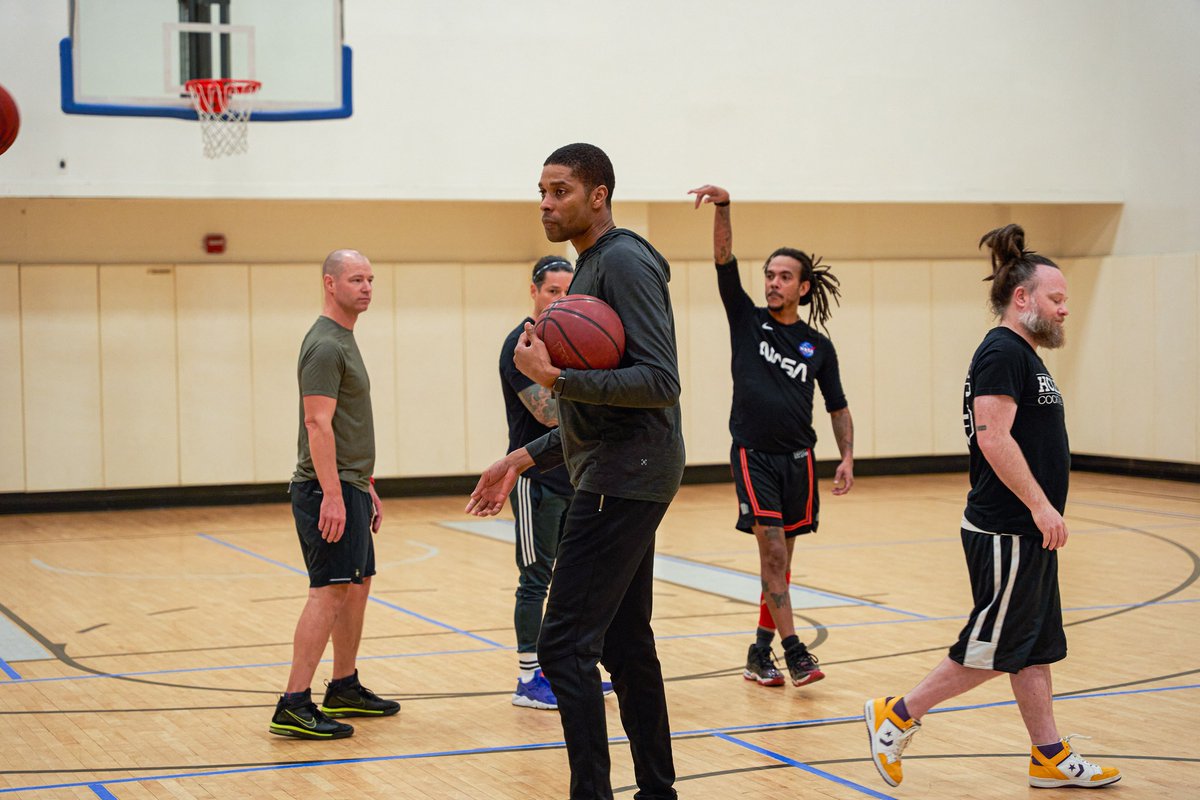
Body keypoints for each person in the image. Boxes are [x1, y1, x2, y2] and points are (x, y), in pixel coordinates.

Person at [863, 225, 1121, 790]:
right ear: (1022, 297)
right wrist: (1041, 507)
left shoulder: (1022, 354)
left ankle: (1048, 755)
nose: (1065, 310)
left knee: (1032, 646)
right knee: (993, 647)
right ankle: (897, 715)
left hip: (1025, 530)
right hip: (1008, 528)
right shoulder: (1003, 351)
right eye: (1056, 299)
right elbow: (992, 436)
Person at [468, 143, 684, 800]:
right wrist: (521, 458)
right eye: (541, 191)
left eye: (559, 190)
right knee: (625, 644)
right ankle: (657, 792)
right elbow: (598, 410)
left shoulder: (621, 261)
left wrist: (555, 377)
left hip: (623, 476)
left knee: (562, 647)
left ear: (598, 195)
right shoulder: (592, 265)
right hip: (622, 468)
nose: (545, 203)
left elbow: (659, 382)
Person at [689, 184, 854, 689]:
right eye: (769, 275)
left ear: (803, 287)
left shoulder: (817, 347)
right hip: (753, 455)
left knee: (779, 563)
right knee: (775, 555)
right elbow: (723, 260)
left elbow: (838, 407)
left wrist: (847, 456)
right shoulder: (747, 320)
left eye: (784, 277)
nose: (773, 283)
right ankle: (794, 651)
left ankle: (758, 651)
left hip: (799, 461)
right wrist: (723, 209)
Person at [269, 249, 400, 740]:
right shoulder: (325, 345)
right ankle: (292, 703)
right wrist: (332, 494)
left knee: (356, 584)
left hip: (350, 483)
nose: (366, 288)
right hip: (327, 487)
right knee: (327, 592)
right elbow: (317, 422)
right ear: (330, 284)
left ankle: (343, 685)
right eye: (355, 279)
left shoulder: (344, 338)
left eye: (370, 279)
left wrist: (364, 484)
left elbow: (344, 423)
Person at [500, 255, 576, 709]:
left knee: (573, 579)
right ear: (534, 291)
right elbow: (549, 415)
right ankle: (528, 678)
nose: (560, 300)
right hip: (536, 480)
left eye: (569, 291)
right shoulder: (522, 344)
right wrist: (595, 392)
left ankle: (564, 669)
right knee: (535, 578)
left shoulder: (579, 339)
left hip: (577, 478)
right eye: (553, 291)